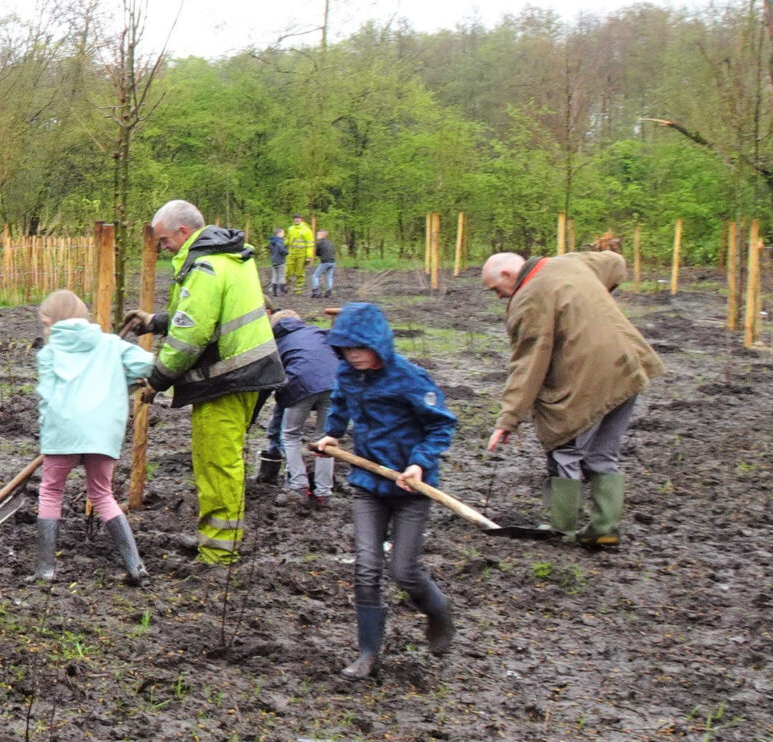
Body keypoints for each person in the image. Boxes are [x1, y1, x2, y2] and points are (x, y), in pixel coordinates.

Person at [123, 200, 284, 566]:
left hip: (230, 377)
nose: (163, 249)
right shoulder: (227, 257)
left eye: (164, 240)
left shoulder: (206, 267)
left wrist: (157, 379)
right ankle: (214, 537)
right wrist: (156, 321)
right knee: (217, 461)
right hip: (245, 372)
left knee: (217, 464)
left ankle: (218, 553)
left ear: (184, 232)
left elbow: (191, 337)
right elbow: (205, 315)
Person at [310, 302, 460, 678]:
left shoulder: (410, 378)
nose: (353, 356)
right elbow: (341, 403)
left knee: (404, 572)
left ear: (378, 343)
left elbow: (441, 426)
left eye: (360, 348)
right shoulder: (347, 373)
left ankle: (439, 612)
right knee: (366, 568)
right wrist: (333, 432)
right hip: (368, 485)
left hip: (411, 488)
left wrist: (418, 463)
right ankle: (368, 654)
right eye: (346, 349)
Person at [481, 250, 661, 548]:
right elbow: (615, 263)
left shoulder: (528, 299)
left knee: (564, 448)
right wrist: (586, 298)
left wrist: (508, 419)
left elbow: (528, 365)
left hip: (586, 379)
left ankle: (558, 526)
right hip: (626, 367)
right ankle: (604, 528)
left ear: (508, 276)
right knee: (603, 453)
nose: (499, 297)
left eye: (496, 290)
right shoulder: (571, 262)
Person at [30, 290, 153, 585]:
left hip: (62, 433)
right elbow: (148, 367)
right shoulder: (112, 345)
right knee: (102, 494)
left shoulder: (49, 353)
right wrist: (122, 380)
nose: (45, 330)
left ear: (54, 322)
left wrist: (48, 439)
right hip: (102, 433)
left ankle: (45, 570)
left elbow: (46, 398)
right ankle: (135, 566)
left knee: (50, 492)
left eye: (46, 324)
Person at [266, 309, 339, 505]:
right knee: (325, 440)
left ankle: (298, 485)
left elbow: (272, 379)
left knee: (290, 435)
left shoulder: (277, 344)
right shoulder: (316, 332)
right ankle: (324, 492)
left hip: (299, 385)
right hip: (335, 385)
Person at [284, 215, 316, 293]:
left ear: (302, 220)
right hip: (291, 254)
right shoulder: (290, 229)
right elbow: (288, 240)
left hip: (301, 255)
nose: (296, 220)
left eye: (298, 219)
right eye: (295, 219)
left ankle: (298, 289)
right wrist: (280, 245)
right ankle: (285, 287)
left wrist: (309, 256)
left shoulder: (307, 230)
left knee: (300, 272)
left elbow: (310, 244)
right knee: (287, 271)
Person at [310, 230, 339, 298]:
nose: (317, 236)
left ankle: (315, 291)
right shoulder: (329, 242)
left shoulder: (319, 243)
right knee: (329, 277)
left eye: (318, 235)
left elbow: (317, 253)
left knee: (315, 276)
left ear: (322, 235)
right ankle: (328, 291)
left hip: (325, 262)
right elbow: (333, 251)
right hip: (332, 262)